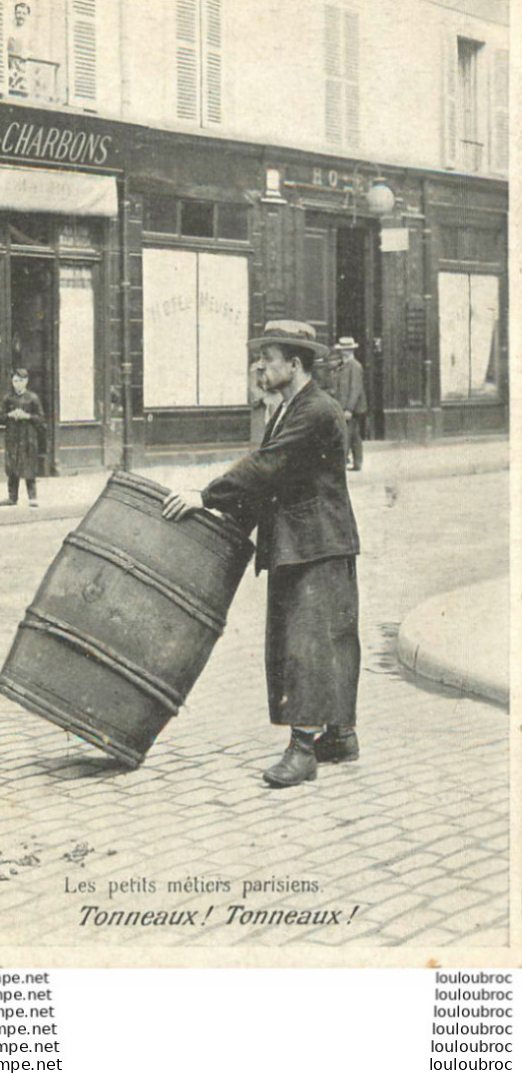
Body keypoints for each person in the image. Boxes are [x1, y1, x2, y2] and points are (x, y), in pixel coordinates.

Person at [162, 320, 361, 788]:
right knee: (324, 638)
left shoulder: (315, 410)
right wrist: (226, 523)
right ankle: (340, 734)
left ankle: (303, 750)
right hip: (306, 540)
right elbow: (272, 479)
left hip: (316, 543)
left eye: (268, 358)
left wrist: (205, 495)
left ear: (294, 364)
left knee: (306, 644)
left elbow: (267, 467)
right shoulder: (291, 407)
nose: (259, 365)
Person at [0, 368, 45, 508]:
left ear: (26, 381)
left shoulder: (33, 398)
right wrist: (9, 415)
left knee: (29, 466)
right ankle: (12, 497)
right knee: (12, 466)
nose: (17, 384)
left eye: (21, 381)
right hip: (12, 436)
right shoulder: (8, 398)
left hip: (28, 436)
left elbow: (41, 418)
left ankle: (32, 497)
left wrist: (27, 416)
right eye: (15, 381)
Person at [333, 336, 367, 471]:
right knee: (354, 435)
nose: (343, 353)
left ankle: (342, 462)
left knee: (346, 434)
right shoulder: (343, 366)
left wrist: (349, 409)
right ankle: (357, 462)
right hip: (346, 407)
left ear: (351, 351)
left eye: (346, 350)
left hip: (351, 409)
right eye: (342, 350)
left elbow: (355, 389)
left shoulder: (355, 366)